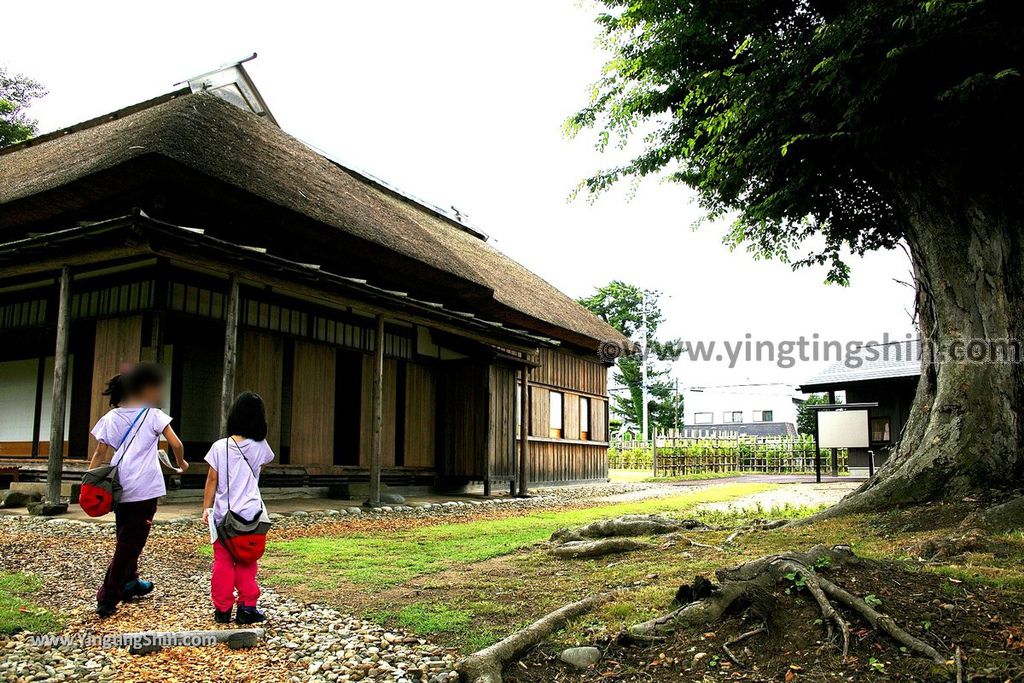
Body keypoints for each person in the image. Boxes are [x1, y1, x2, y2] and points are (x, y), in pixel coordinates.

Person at [88, 362, 187, 618]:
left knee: (125, 535)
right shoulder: (153, 415)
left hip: (119, 488)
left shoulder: (111, 418)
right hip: (145, 489)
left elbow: (100, 452)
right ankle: (108, 595)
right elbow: (175, 443)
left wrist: (89, 481)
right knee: (130, 543)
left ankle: (131, 582)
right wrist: (182, 462)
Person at [202, 392, 274, 624]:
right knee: (247, 560)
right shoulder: (260, 446)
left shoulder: (219, 447)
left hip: (224, 515)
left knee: (222, 561)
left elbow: (212, 479)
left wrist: (206, 508)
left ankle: (222, 610)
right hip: (252, 514)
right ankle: (247, 608)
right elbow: (264, 462)